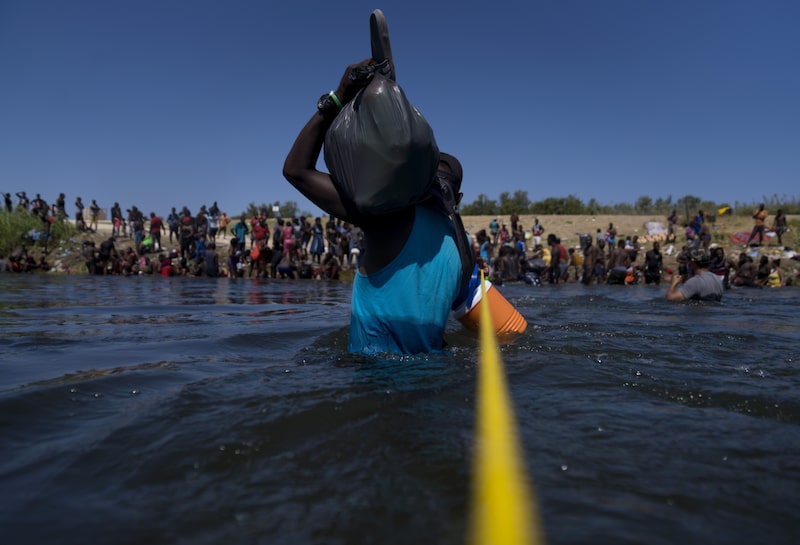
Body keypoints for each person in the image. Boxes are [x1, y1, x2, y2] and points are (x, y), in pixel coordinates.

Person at [283, 58, 463, 354]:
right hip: (433, 385)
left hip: (372, 386)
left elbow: (296, 170)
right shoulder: (462, 246)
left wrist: (337, 97)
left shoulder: (387, 217)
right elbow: (506, 325)